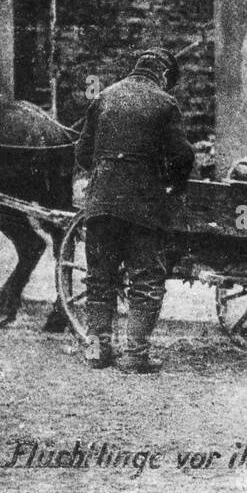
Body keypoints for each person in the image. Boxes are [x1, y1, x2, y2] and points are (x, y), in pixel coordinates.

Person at [75, 48, 195, 373]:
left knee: (99, 279)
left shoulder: (104, 97)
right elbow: (183, 156)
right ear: (165, 76)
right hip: (142, 206)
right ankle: (134, 356)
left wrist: (106, 172)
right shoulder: (165, 103)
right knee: (145, 281)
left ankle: (98, 352)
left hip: (100, 204)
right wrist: (171, 184)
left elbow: (83, 152)